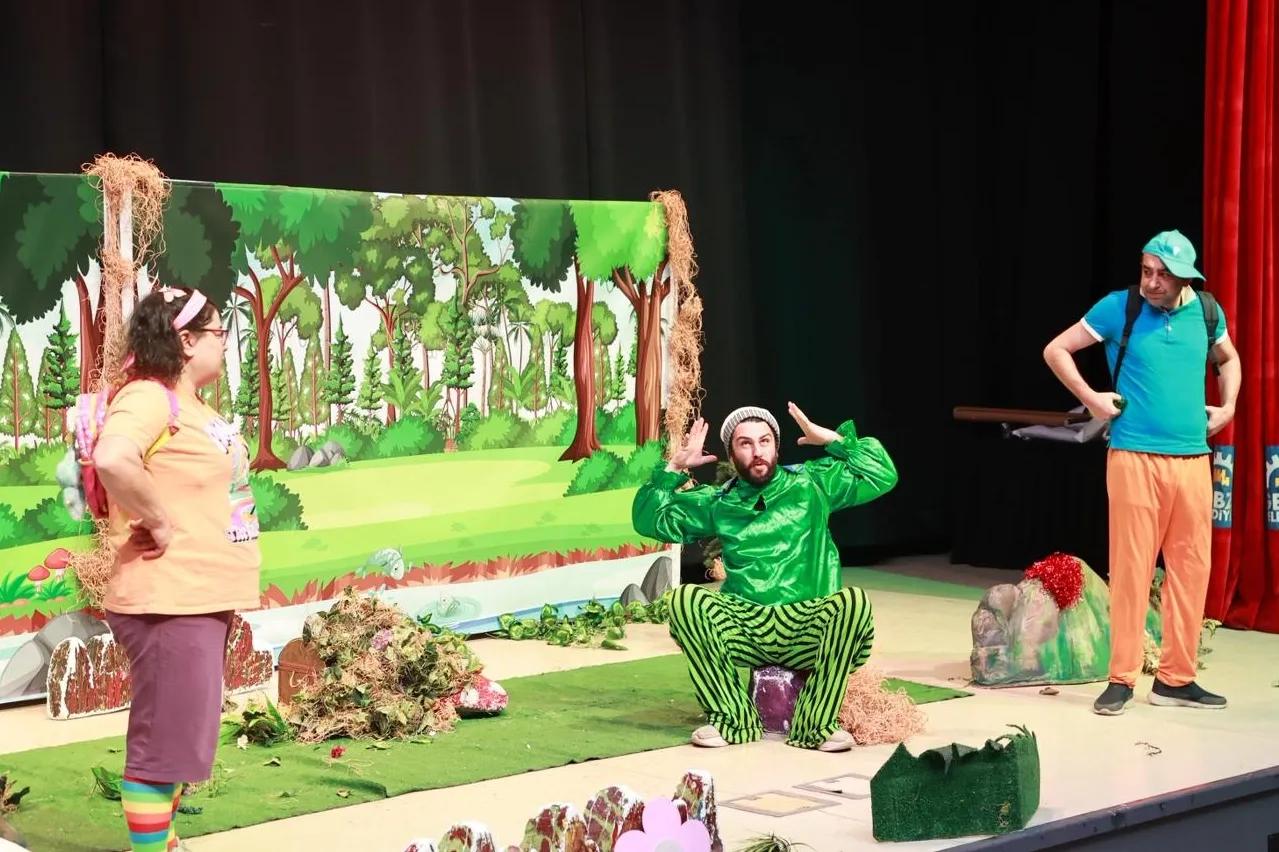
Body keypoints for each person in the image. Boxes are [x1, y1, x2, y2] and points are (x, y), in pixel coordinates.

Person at [1042, 230, 1240, 716]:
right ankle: (1122, 678)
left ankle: (1176, 679)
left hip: (1193, 459)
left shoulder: (1207, 311)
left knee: (1192, 570)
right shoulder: (1120, 307)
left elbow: (1229, 359)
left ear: (1186, 277)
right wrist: (1091, 398)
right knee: (1132, 569)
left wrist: (1229, 406)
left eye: (1163, 275)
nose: (1152, 282)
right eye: (1147, 271)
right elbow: (1056, 349)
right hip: (1134, 457)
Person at [92, 286, 261, 852]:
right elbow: (113, 456)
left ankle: (164, 842)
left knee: (179, 744)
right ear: (186, 341)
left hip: (197, 598)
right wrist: (159, 521)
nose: (226, 343)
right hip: (168, 599)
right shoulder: (148, 396)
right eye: (219, 332)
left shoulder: (192, 406)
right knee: (160, 752)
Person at [632, 402, 898, 752]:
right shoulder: (719, 502)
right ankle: (732, 719)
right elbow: (649, 520)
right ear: (731, 454)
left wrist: (833, 441)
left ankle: (816, 724)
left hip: (807, 624)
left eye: (764, 441)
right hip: (747, 626)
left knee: (853, 602)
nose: (757, 451)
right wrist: (674, 468)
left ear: (776, 447)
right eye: (745, 443)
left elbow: (883, 474)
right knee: (685, 600)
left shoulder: (812, 483)